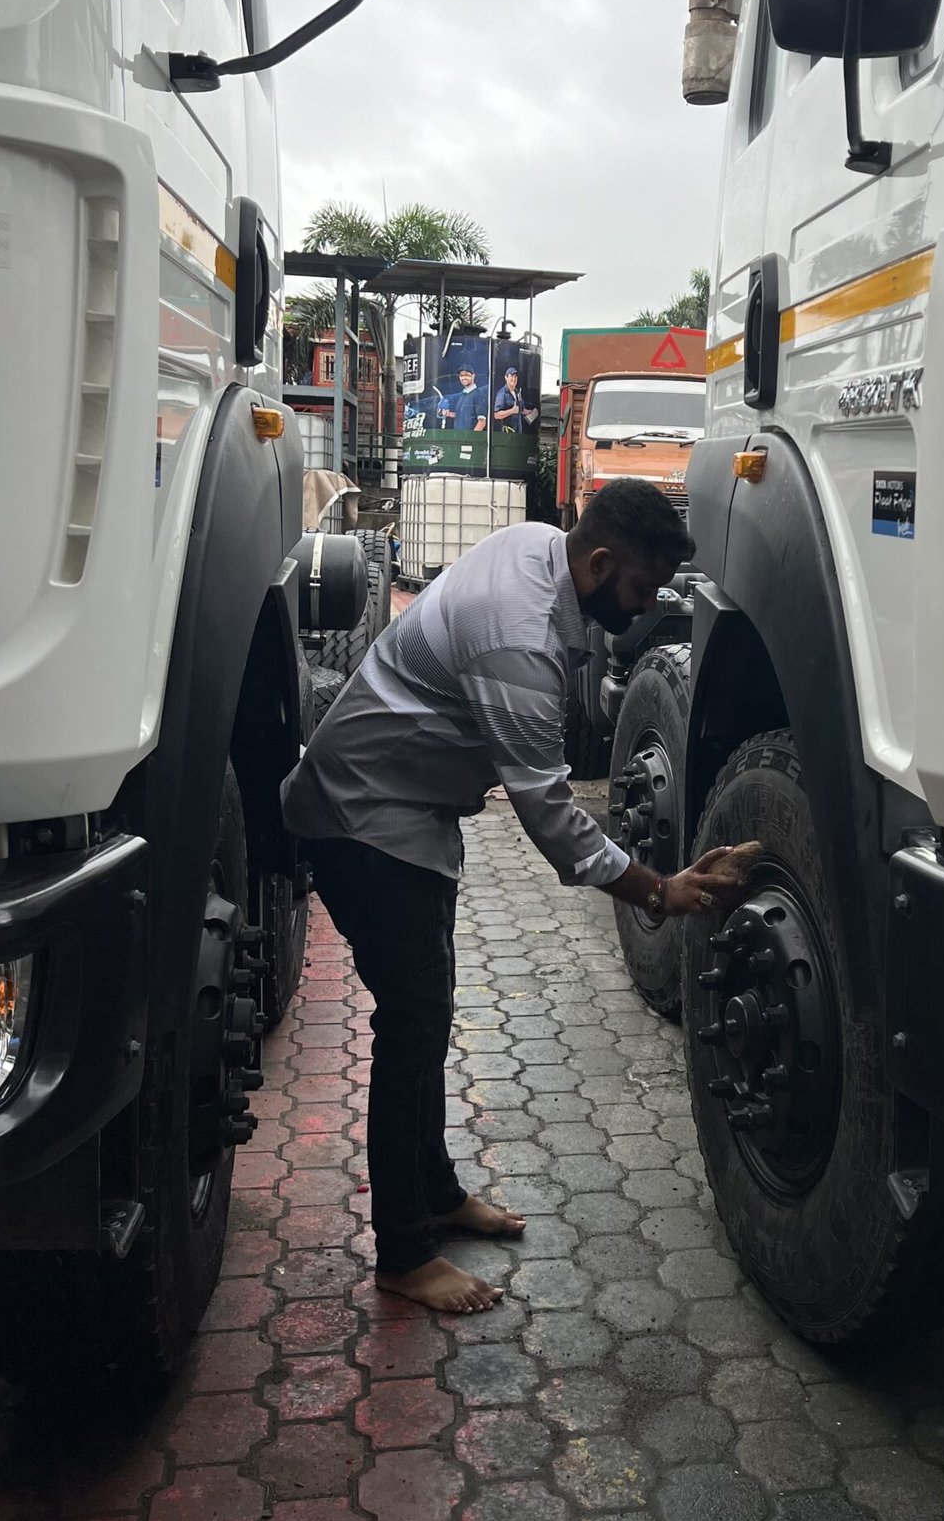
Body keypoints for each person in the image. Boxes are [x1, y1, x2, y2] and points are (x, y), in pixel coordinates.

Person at [281, 481, 751, 1315]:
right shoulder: (520, 638)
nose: (645, 608)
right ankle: (403, 1252)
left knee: (427, 1012)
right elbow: (550, 814)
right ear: (598, 562)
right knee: (412, 1025)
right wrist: (659, 889)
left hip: (406, 810)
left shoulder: (541, 548)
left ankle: (434, 1191)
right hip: (363, 815)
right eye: (640, 588)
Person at [447, 364, 489, 432]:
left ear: (473, 376)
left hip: (469, 438)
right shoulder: (462, 396)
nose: (464, 378)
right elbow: (460, 416)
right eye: (461, 375)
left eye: (467, 375)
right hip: (458, 437)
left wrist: (472, 437)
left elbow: (482, 422)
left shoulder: (478, 395)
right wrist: (447, 413)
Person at [493, 365, 533, 434]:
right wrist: (512, 411)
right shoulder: (502, 393)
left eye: (515, 377)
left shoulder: (518, 393)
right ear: (506, 377)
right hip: (507, 434)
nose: (514, 379)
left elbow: (521, 410)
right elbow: (496, 415)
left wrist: (530, 412)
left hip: (518, 433)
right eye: (511, 376)